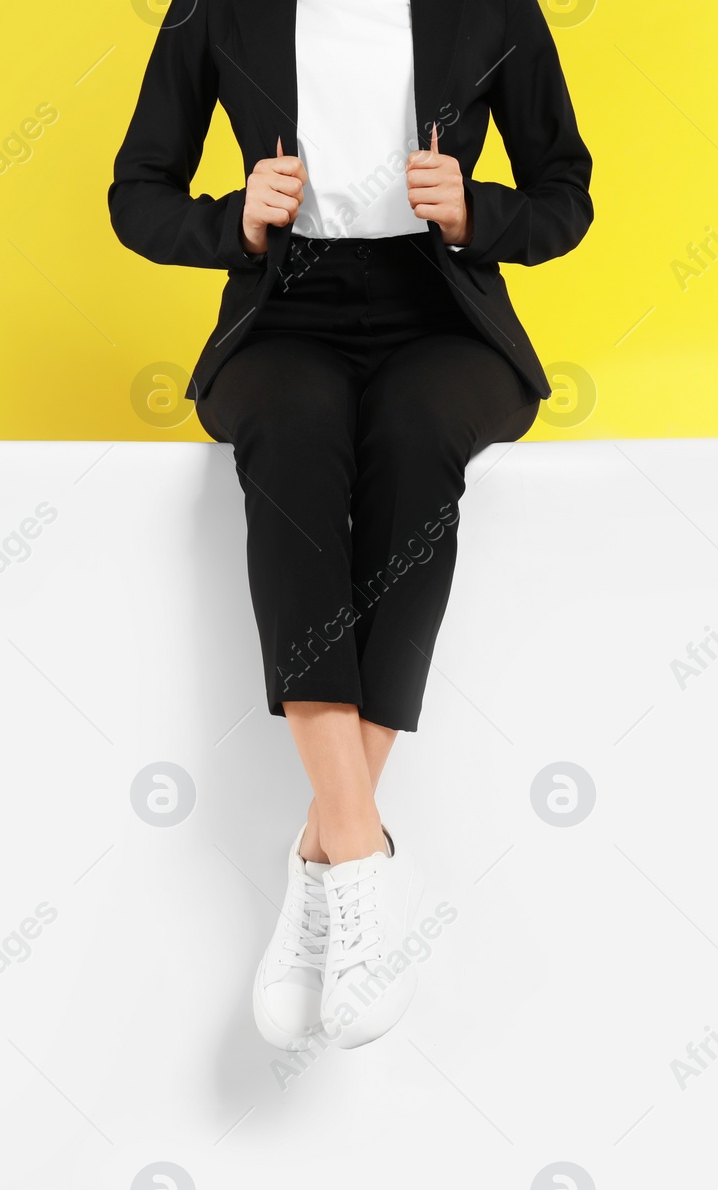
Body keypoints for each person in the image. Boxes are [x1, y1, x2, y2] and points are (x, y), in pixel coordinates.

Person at [110, 0, 591, 1049]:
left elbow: (567, 196)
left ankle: (323, 859)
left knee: (418, 435)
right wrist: (231, 217)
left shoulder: (492, 8)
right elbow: (134, 195)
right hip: (282, 314)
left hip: (442, 314)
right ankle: (361, 852)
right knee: (289, 430)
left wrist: (474, 214)